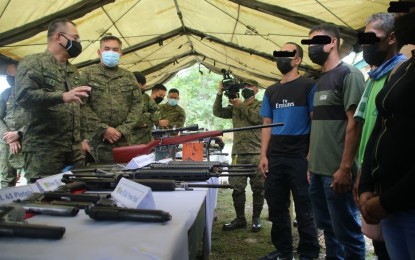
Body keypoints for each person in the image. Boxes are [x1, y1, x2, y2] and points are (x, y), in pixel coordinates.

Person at [358, 6, 415, 260]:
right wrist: (368, 185)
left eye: (408, 9)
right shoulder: (401, 71)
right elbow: (380, 128)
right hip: (387, 201)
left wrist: (387, 202)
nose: (401, 18)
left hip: (404, 201)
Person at [306, 23, 366, 259]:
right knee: (329, 229)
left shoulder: (349, 74)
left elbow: (355, 124)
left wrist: (344, 168)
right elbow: (318, 125)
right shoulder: (320, 80)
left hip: (337, 172)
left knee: (348, 234)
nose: (312, 47)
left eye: (317, 41)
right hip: (318, 171)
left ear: (333, 43)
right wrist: (311, 161)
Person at [259, 42, 320, 260]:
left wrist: (311, 155)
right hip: (275, 157)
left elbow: (316, 123)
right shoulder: (271, 90)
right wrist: (263, 155)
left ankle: (309, 252)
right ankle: (284, 251)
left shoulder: (309, 86)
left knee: (305, 208)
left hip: (300, 157)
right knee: (276, 207)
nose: (281, 57)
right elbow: (267, 123)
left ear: (297, 60)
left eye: (287, 53)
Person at [15, 19, 91, 179]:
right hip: (43, 150)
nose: (78, 42)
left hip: (73, 150)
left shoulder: (73, 70)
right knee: (44, 199)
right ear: (59, 37)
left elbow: (80, 108)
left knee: (77, 194)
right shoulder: (33, 62)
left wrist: (83, 139)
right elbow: (24, 97)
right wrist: (62, 96)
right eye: (75, 37)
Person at [80, 35, 143, 163]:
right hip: (96, 142)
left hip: (124, 141)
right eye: (107, 48)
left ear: (121, 53)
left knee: (125, 178)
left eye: (115, 50)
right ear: (99, 52)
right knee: (98, 179)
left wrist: (122, 130)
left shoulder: (129, 76)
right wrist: (103, 129)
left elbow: (137, 105)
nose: (111, 52)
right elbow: (81, 104)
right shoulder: (87, 74)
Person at [213, 79, 264, 232]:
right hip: (238, 153)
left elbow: (257, 119)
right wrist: (219, 93)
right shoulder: (235, 106)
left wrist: (240, 104)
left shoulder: (261, 105)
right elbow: (217, 112)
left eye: (250, 86)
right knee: (237, 187)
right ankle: (240, 219)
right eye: (245, 86)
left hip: (256, 152)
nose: (247, 88)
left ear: (257, 89)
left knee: (258, 188)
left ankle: (256, 218)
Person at [0, 63, 26, 188]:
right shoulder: (5, 93)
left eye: (12, 74)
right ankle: (7, 207)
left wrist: (19, 134)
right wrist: (10, 138)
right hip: (7, 142)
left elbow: (38, 117)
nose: (10, 77)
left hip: (29, 138)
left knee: (35, 177)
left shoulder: (31, 92)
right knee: (7, 179)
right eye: (8, 74)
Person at [132, 71, 160, 144]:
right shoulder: (122, 98)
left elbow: (157, 112)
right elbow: (131, 120)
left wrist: (148, 121)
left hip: (147, 140)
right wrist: (146, 117)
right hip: (131, 141)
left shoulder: (145, 97)